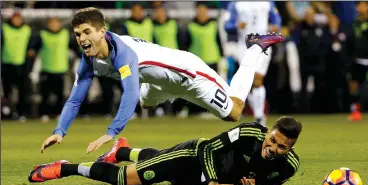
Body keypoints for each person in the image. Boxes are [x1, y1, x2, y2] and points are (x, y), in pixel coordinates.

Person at [40, 7, 285, 154]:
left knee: (234, 112)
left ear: (102, 32)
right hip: (157, 82)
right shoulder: (89, 59)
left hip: (189, 75)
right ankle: (162, 88)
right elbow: (75, 100)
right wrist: (60, 131)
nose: (81, 39)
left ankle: (254, 47)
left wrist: (109, 133)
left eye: (86, 32)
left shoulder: (123, 54)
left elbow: (129, 94)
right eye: (77, 34)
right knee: (147, 102)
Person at [29, 116, 302, 185]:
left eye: (282, 147)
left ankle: (122, 150)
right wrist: (214, 182)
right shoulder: (247, 133)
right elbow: (208, 146)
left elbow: (272, 179)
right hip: (193, 157)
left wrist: (255, 182)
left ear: (290, 148)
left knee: (155, 160)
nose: (274, 149)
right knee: (127, 180)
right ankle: (65, 168)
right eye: (273, 141)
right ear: (269, 131)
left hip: (195, 181)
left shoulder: (289, 165)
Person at [225, 1, 282, 125]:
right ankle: (257, 114)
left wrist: (275, 26)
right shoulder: (236, 4)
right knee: (249, 82)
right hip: (244, 47)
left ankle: (259, 117)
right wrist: (236, 25)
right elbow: (227, 24)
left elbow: (277, 19)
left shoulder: (267, 3)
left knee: (257, 79)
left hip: (263, 45)